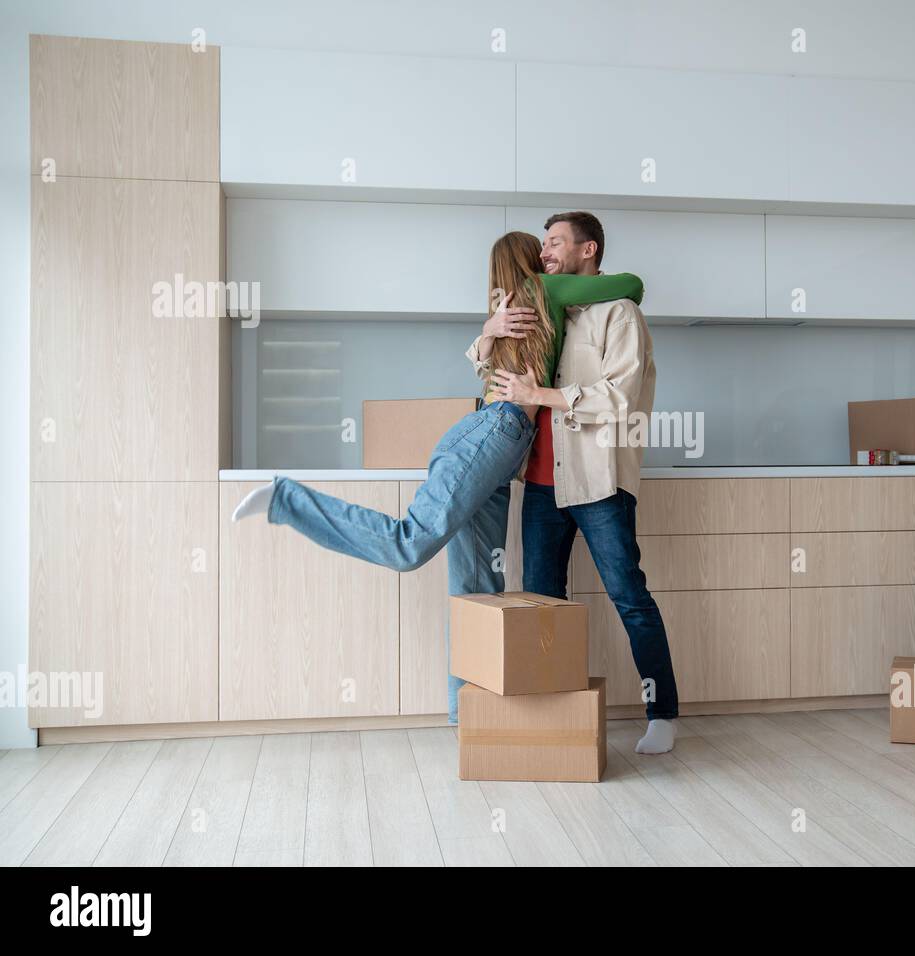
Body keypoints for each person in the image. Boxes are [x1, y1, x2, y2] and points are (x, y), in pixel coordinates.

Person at [230, 231, 643, 725]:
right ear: (531, 260)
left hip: (495, 440)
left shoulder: (506, 302)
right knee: (410, 545)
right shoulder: (545, 291)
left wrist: (488, 331)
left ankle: (468, 720)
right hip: (494, 431)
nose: (550, 256)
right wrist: (495, 329)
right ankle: (286, 499)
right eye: (544, 249)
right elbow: (632, 284)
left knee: (477, 589)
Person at [477, 212, 680, 755]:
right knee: (543, 604)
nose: (545, 251)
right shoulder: (548, 308)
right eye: (543, 242)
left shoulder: (621, 314)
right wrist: (486, 334)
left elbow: (621, 397)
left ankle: (662, 716)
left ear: (588, 250)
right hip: (540, 484)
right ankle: (554, 714)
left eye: (555, 242)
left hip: (599, 483)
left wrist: (538, 397)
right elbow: (493, 370)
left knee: (630, 598)